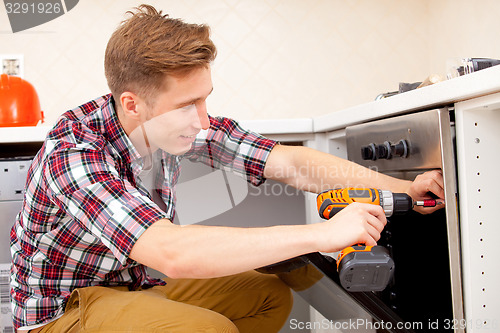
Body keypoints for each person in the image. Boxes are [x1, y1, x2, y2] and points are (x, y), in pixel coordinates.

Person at [10, 4, 445, 333]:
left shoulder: (168, 125)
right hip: (62, 311)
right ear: (132, 104)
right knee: (208, 329)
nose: (202, 119)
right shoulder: (75, 151)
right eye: (187, 105)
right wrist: (326, 234)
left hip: (130, 285)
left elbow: (289, 163)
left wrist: (406, 187)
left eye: (204, 98)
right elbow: (172, 253)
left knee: (269, 298)